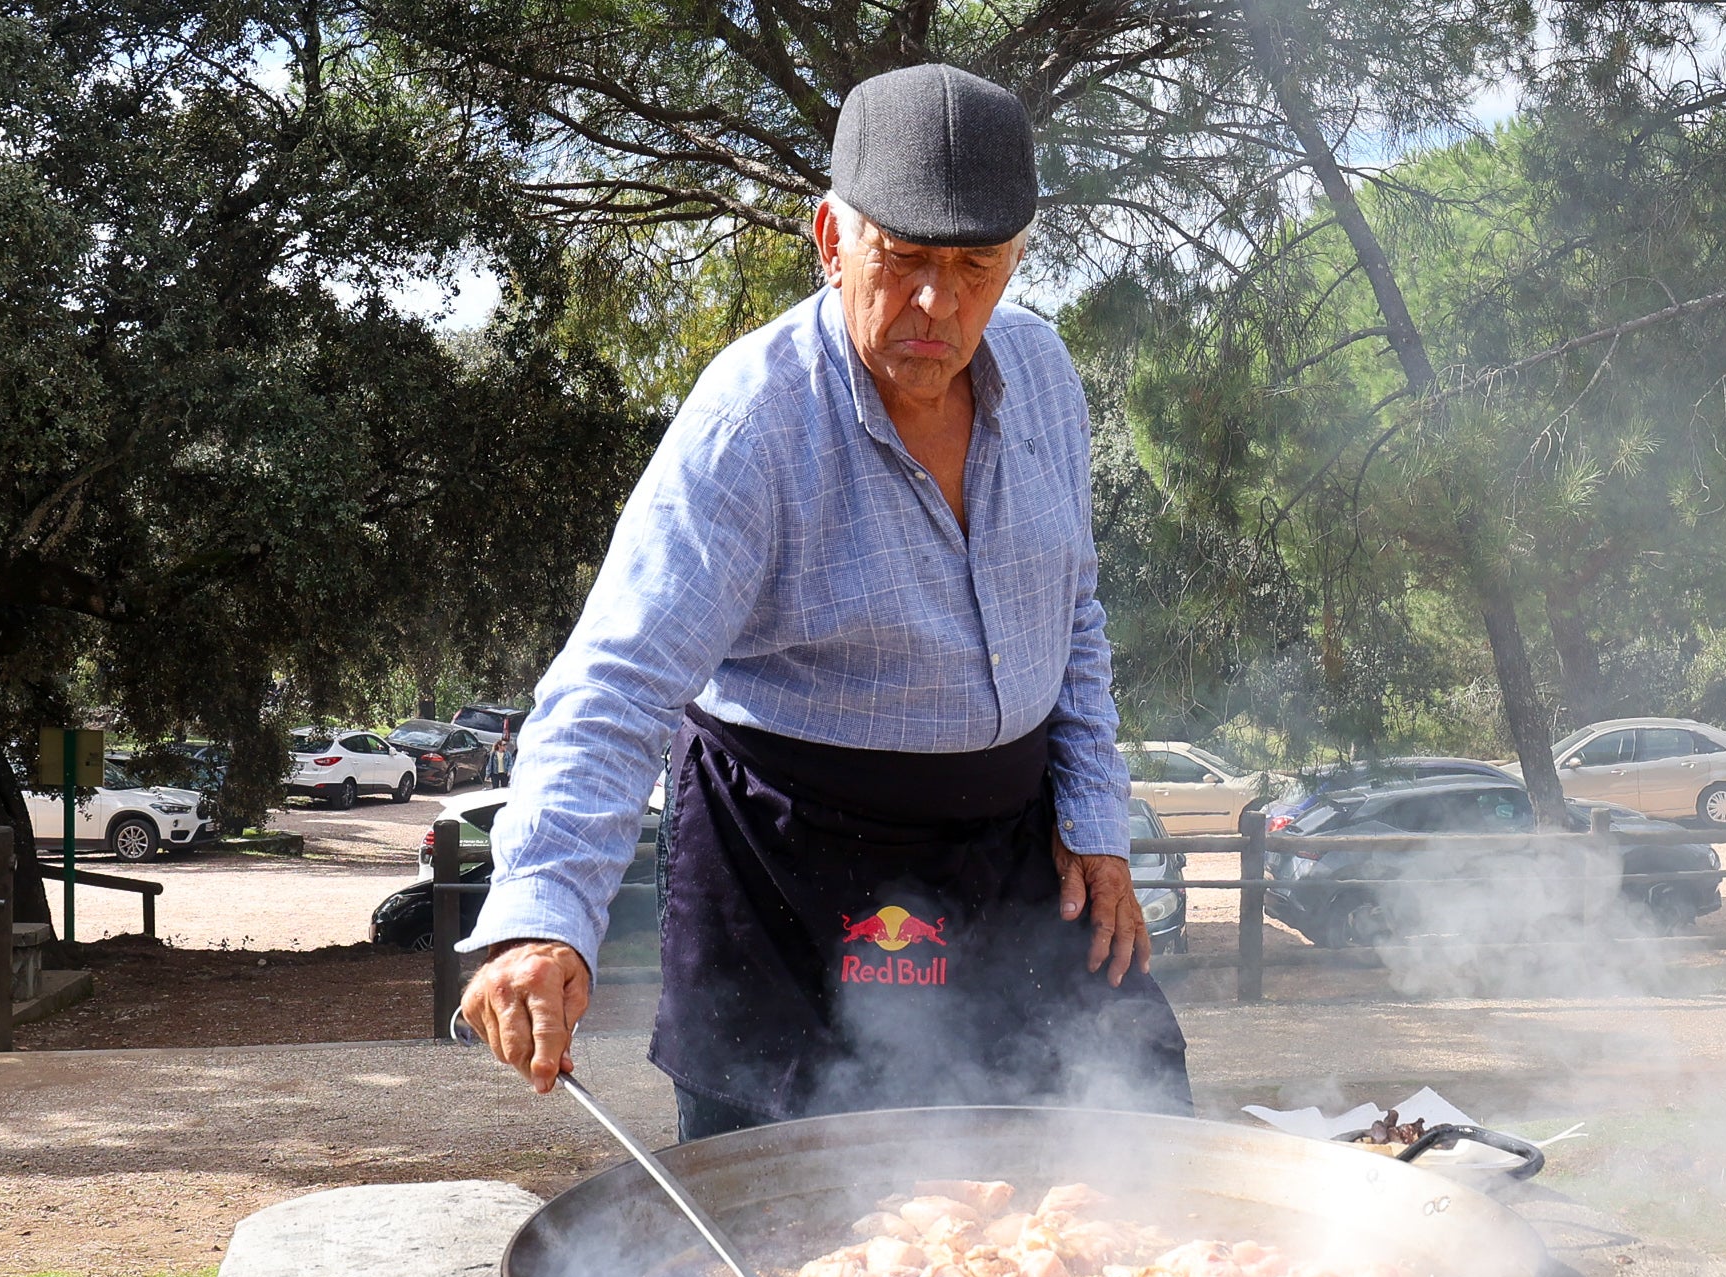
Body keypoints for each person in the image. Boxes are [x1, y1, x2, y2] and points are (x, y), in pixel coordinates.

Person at [456, 64, 1191, 1138]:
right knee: (802, 1201)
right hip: (795, 863)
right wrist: (539, 917)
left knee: (1124, 1140)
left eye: (976, 267)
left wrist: (1094, 819)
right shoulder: (749, 424)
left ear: (1017, 261)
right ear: (831, 238)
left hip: (1014, 847)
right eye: (904, 259)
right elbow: (617, 682)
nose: (939, 304)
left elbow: (1070, 613)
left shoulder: (1043, 374)